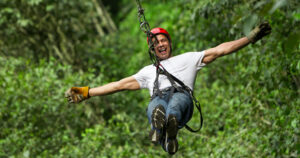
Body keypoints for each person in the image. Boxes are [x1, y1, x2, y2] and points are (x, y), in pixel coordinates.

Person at [65, 22, 271, 155]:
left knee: (174, 106)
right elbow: (118, 85)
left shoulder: (188, 59)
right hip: (158, 98)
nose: (161, 45)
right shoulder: (148, 71)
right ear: (152, 50)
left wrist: (250, 38)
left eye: (164, 41)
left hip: (183, 98)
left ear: (169, 44)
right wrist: (86, 92)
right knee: (157, 106)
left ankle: (165, 127)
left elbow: (220, 50)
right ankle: (163, 130)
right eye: (156, 43)